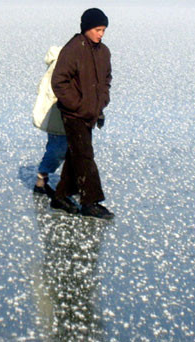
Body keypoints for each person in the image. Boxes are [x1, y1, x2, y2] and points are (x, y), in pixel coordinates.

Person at [50, 8, 114, 219]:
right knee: (85, 156)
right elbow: (59, 81)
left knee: (75, 154)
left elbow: (106, 80)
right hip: (74, 114)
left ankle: (60, 196)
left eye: (103, 30)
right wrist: (77, 105)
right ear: (87, 28)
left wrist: (101, 103)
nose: (101, 34)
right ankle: (90, 202)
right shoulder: (73, 49)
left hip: (91, 113)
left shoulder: (103, 52)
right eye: (97, 29)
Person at [32, 46, 67, 198]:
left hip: (69, 114)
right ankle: (41, 179)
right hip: (57, 115)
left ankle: (73, 183)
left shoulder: (67, 62)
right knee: (58, 148)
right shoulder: (59, 65)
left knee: (73, 151)